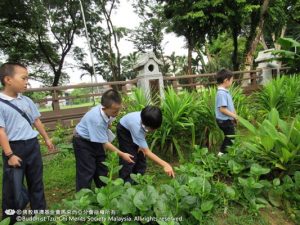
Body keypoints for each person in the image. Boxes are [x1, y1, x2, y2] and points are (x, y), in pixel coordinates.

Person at [0, 62, 55, 223]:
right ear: (8, 79)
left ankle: (40, 215)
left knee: (36, 183)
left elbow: (36, 121)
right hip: (14, 148)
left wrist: (46, 138)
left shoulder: (27, 100)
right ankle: (12, 219)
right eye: (24, 78)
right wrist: (9, 154)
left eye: (27, 78)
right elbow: (1, 131)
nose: (27, 82)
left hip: (32, 145)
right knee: (13, 187)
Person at [73, 89, 134, 191]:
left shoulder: (109, 111)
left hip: (95, 140)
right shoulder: (96, 119)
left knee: (101, 167)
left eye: (119, 109)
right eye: (115, 111)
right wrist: (122, 154)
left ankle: (103, 193)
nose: (117, 113)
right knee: (87, 170)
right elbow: (105, 143)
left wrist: (107, 127)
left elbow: (108, 124)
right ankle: (82, 197)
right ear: (104, 107)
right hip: (82, 142)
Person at [117, 105, 175, 183]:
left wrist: (141, 144)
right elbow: (148, 152)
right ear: (146, 125)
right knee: (129, 156)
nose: (153, 131)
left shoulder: (150, 117)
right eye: (152, 129)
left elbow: (145, 131)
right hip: (124, 130)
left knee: (141, 153)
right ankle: (126, 181)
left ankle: (139, 178)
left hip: (136, 127)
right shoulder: (137, 126)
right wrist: (165, 164)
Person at [215, 69, 238, 155]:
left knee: (230, 137)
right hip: (224, 121)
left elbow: (229, 106)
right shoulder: (221, 93)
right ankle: (221, 154)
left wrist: (234, 115)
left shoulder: (224, 92)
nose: (232, 82)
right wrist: (234, 116)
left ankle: (227, 153)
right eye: (231, 80)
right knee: (230, 138)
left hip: (226, 119)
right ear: (226, 80)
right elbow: (222, 109)